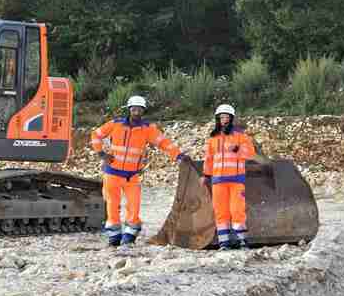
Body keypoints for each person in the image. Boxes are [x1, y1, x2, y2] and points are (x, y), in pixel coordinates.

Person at [91, 95, 187, 247]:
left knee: (134, 207)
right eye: (134, 108)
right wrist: (100, 153)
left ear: (143, 111)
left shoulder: (148, 129)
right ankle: (114, 236)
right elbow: (96, 134)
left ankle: (130, 235)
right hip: (112, 173)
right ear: (129, 109)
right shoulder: (115, 124)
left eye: (139, 109)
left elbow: (164, 143)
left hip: (132, 176)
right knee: (112, 205)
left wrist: (178, 155)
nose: (136, 111)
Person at [199, 104, 256, 250]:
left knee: (237, 210)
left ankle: (242, 241)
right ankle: (224, 242)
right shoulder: (213, 138)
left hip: (236, 180)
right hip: (218, 180)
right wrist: (205, 175)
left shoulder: (241, 136)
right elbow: (209, 159)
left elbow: (250, 153)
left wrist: (237, 149)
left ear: (231, 119)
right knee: (220, 212)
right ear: (217, 119)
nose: (224, 120)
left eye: (226, 117)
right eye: (221, 117)